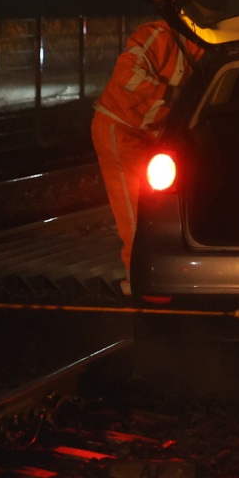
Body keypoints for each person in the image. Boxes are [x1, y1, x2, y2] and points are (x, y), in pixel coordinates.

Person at [93, 17, 198, 284]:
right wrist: (171, 93)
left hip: (151, 133)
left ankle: (151, 271)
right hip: (121, 127)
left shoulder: (200, 47)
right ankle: (136, 277)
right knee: (134, 206)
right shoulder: (159, 35)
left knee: (152, 204)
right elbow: (126, 75)